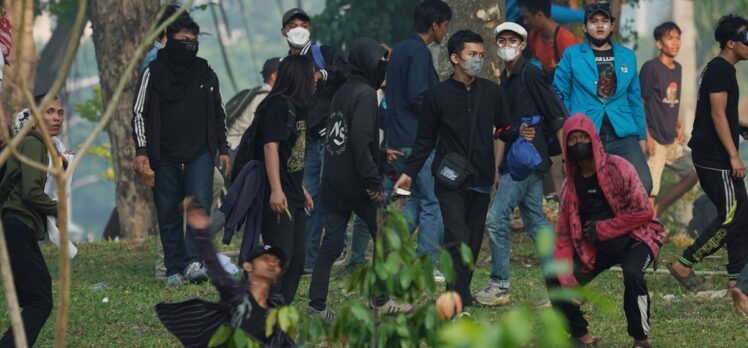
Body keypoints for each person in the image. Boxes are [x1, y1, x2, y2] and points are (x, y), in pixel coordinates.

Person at [393, 30, 529, 308]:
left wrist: (519, 131)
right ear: (455, 58)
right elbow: (425, 140)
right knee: (456, 236)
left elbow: (503, 127)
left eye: (481, 55)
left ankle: (459, 294)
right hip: (449, 179)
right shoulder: (436, 95)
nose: (477, 60)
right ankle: (457, 300)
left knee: (473, 241)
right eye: (471, 55)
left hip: (481, 177)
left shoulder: (492, 91)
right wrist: (409, 172)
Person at [307, 38, 410, 321]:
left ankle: (316, 306)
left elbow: (348, 137)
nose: (384, 68)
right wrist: (374, 183)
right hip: (357, 183)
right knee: (384, 237)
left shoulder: (344, 90)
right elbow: (360, 141)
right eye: (381, 62)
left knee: (331, 245)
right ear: (368, 63)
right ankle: (380, 300)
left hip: (335, 182)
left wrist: (379, 153)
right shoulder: (365, 94)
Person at [131, 14, 231, 286]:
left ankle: (192, 262)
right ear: (169, 40)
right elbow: (139, 113)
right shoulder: (153, 72)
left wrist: (223, 148)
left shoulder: (205, 71)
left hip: (200, 151)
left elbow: (219, 112)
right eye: (184, 39)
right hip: (163, 154)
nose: (190, 44)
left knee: (197, 206)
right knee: (168, 210)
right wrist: (142, 150)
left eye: (194, 40)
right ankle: (173, 268)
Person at [549, 114, 665, 348]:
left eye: (583, 137)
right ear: (566, 146)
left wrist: (606, 228)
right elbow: (562, 236)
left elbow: (643, 211)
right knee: (554, 277)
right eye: (573, 140)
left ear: (593, 138)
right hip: (595, 247)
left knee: (633, 274)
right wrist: (568, 283)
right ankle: (581, 336)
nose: (579, 144)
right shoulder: (570, 184)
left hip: (636, 238)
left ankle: (641, 339)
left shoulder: (619, 167)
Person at [473, 22, 566, 306]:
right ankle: (559, 287)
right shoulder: (506, 78)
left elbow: (556, 115)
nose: (506, 45)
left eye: (513, 40)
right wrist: (497, 170)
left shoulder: (531, 73)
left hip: (528, 160)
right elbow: (503, 128)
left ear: (523, 45)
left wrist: (567, 162)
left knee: (496, 218)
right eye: (501, 40)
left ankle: (500, 284)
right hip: (515, 161)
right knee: (536, 222)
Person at [667, 15, 748, 294]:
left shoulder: (722, 68)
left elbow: (721, 113)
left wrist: (741, 127)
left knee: (741, 214)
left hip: (717, 153)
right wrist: (734, 156)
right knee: (730, 215)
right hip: (715, 159)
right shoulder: (720, 69)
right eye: (746, 39)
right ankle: (685, 262)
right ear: (731, 43)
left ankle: (737, 279)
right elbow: (715, 114)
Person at [156, 202, 294, 347]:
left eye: (277, 263)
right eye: (265, 259)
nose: (273, 264)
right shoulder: (237, 294)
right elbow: (217, 271)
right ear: (248, 267)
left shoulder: (276, 308)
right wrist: (202, 234)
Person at [553, 2, 652, 194]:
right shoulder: (572, 54)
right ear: (585, 27)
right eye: (594, 21)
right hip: (587, 134)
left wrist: (641, 136)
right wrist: (570, 128)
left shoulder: (627, 56)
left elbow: (634, 98)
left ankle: (623, 222)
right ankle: (601, 223)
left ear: (611, 26)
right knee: (590, 190)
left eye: (604, 21)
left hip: (622, 133)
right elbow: (559, 94)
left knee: (643, 184)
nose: (599, 25)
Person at [384, 0, 452, 280]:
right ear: (434, 24)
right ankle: (425, 265)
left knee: (414, 200)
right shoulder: (420, 53)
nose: (445, 32)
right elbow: (418, 95)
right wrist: (441, 115)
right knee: (432, 202)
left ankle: (391, 254)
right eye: (445, 25)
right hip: (416, 140)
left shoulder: (399, 49)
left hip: (397, 137)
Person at [279, 8, 347, 274]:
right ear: (284, 31)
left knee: (329, 197)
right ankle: (305, 259)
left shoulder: (323, 54)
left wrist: (321, 75)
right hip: (300, 141)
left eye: (303, 24)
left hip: (329, 139)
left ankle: (325, 254)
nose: (298, 29)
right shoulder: (285, 66)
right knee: (307, 198)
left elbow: (345, 71)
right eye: (293, 25)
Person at [0, 95, 64, 347]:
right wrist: (60, 209)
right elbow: (30, 192)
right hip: (17, 226)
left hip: (14, 227)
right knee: (41, 300)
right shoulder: (34, 143)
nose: (56, 118)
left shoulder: (37, 144)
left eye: (59, 112)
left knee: (31, 297)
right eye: (49, 112)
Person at [256, 55, 315, 304]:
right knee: (281, 260)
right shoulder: (278, 105)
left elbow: (288, 153)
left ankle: (278, 313)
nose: (316, 79)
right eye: (312, 73)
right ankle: (259, 314)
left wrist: (299, 187)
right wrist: (276, 190)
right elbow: (270, 147)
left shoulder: (298, 106)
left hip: (293, 193)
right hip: (279, 196)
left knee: (297, 261)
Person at [640, 22, 698, 217]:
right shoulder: (651, 68)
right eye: (670, 38)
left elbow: (670, 99)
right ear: (659, 43)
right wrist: (646, 136)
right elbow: (640, 102)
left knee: (693, 174)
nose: (675, 43)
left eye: (678, 38)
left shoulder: (677, 68)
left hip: (671, 138)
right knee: (650, 191)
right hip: (654, 138)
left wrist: (679, 122)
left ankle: (657, 211)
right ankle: (647, 232)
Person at [227, 57, 281, 151]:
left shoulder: (259, 93)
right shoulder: (265, 98)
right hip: (237, 147)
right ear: (273, 76)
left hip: (235, 145)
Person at [519, 0, 579, 78]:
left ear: (539, 15)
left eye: (527, 17)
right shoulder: (533, 36)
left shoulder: (567, 42)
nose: (525, 22)